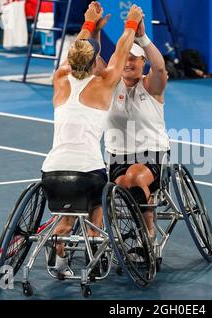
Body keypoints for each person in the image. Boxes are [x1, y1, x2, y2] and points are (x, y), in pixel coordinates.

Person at [40, 1, 144, 277]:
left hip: (51, 172)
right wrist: (131, 22)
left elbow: (81, 52)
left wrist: (89, 25)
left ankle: (60, 260)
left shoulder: (60, 78)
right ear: (95, 62)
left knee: (66, 213)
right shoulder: (105, 82)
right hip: (88, 172)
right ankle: (94, 254)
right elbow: (122, 51)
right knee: (96, 205)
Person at [104, 18, 170, 243]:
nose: (128, 62)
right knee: (122, 183)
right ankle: (141, 229)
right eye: (125, 57)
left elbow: (160, 67)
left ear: (143, 62)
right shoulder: (110, 85)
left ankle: (147, 232)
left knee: (133, 177)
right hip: (117, 156)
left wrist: (141, 36)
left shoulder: (152, 85)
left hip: (151, 153)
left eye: (134, 58)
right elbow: (97, 62)